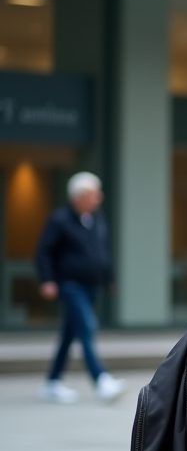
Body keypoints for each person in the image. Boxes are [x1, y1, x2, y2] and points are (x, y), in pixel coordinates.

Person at [35, 171, 125, 404]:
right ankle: (101, 379)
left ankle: (52, 381)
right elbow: (44, 251)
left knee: (69, 334)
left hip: (91, 286)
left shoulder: (97, 219)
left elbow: (102, 251)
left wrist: (109, 278)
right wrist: (47, 280)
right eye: (94, 193)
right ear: (80, 196)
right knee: (86, 327)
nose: (99, 198)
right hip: (70, 285)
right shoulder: (60, 220)